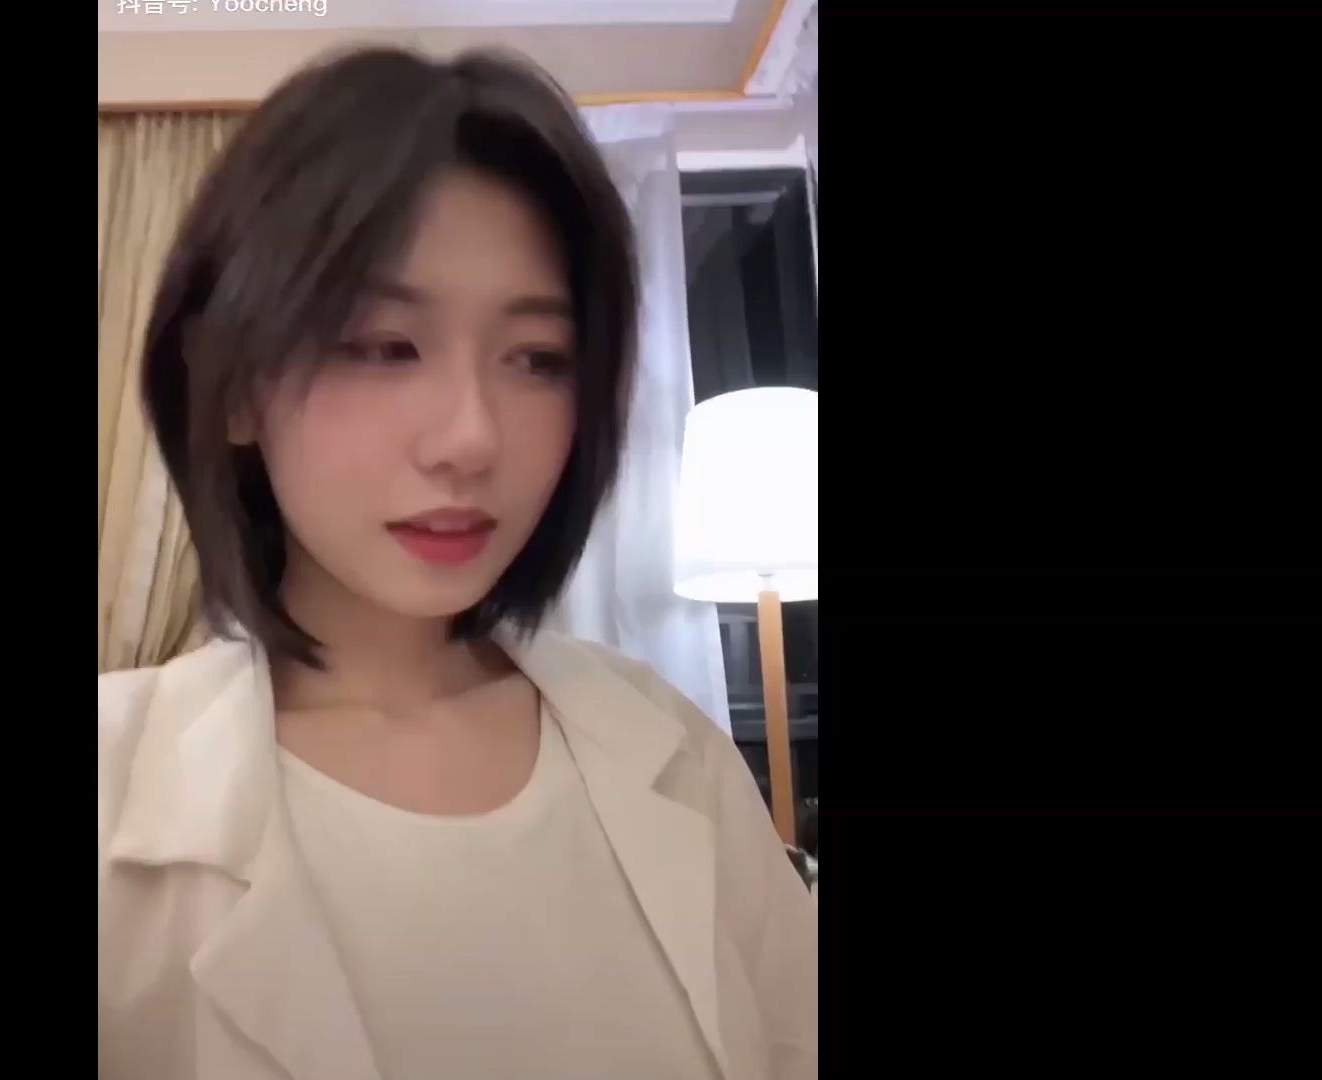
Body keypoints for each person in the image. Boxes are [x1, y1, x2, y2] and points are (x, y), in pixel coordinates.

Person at [97, 44, 817, 1080]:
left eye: (538, 359)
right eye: (384, 345)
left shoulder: (674, 755)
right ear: (236, 384)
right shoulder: (117, 788)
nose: (471, 437)